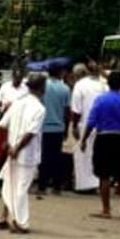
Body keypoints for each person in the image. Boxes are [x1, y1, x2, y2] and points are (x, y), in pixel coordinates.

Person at [80, 70, 120, 219]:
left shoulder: (100, 100)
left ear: (108, 83)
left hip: (104, 138)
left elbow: (91, 122)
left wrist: (84, 139)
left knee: (104, 175)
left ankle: (106, 209)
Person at [0, 75, 47, 233]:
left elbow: (2, 124)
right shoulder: (39, 108)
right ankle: (20, 222)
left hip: (13, 152)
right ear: (41, 89)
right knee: (21, 188)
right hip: (26, 154)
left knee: (11, 184)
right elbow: (31, 133)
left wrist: (8, 144)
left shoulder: (17, 104)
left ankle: (8, 217)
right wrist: (17, 148)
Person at [69, 62, 104, 194]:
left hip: (84, 124)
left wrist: (73, 126)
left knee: (82, 155)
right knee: (95, 155)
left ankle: (84, 185)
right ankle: (94, 183)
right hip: (100, 124)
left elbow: (76, 109)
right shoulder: (102, 84)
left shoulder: (80, 85)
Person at [39, 67, 72, 195]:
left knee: (43, 157)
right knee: (57, 157)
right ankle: (56, 187)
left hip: (44, 127)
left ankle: (42, 186)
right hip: (59, 127)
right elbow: (67, 111)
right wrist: (66, 126)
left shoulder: (43, 86)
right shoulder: (65, 89)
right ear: (59, 73)